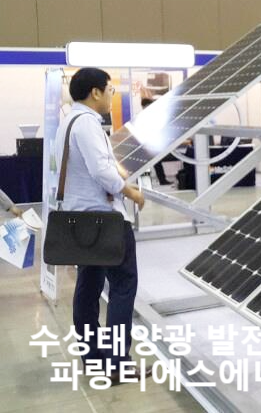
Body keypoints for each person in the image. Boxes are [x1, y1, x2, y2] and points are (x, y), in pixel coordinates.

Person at [56, 68, 147, 384]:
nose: (111, 95)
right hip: (105, 221)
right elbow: (101, 171)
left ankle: (93, 359)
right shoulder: (88, 124)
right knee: (123, 287)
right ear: (95, 92)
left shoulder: (68, 122)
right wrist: (131, 192)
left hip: (81, 221)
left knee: (88, 289)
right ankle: (117, 363)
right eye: (110, 89)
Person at [139, 97, 172, 185]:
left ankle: (161, 180)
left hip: (151, 145)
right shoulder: (142, 117)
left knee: (156, 161)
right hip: (144, 145)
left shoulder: (151, 116)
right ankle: (146, 182)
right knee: (145, 164)